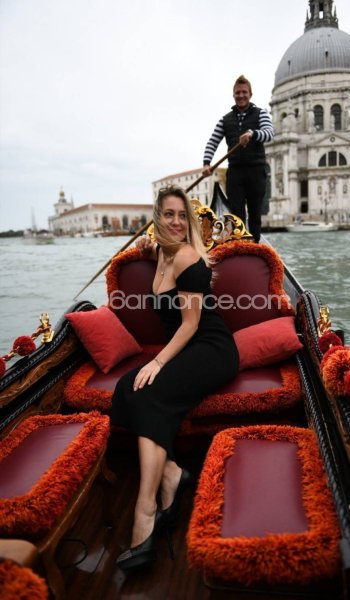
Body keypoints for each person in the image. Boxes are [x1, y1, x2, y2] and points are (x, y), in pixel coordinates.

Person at [110, 185, 239, 572]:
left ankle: (145, 510)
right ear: (158, 218)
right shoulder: (163, 254)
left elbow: (190, 324)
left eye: (183, 215)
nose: (178, 222)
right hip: (187, 348)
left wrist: (157, 362)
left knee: (149, 391)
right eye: (169, 214)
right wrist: (147, 249)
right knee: (126, 389)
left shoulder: (186, 257)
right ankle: (172, 473)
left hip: (211, 349)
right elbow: (156, 250)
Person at [202, 74, 274, 242]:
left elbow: (269, 133)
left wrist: (252, 134)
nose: (241, 95)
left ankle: (255, 245)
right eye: (238, 93)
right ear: (233, 95)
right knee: (236, 215)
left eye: (244, 92)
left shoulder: (261, 114)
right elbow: (212, 142)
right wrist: (206, 163)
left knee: (255, 214)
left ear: (250, 94)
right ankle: (240, 246)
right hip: (235, 172)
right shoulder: (225, 120)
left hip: (256, 171)